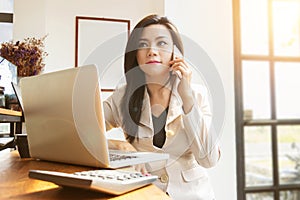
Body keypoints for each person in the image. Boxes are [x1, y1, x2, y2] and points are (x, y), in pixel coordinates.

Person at [103, 14, 220, 199]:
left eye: (162, 43)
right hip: (146, 194)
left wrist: (186, 96)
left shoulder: (197, 94)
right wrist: (122, 147)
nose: (152, 51)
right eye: (142, 44)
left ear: (176, 53)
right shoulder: (122, 96)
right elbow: (83, 131)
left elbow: (208, 159)